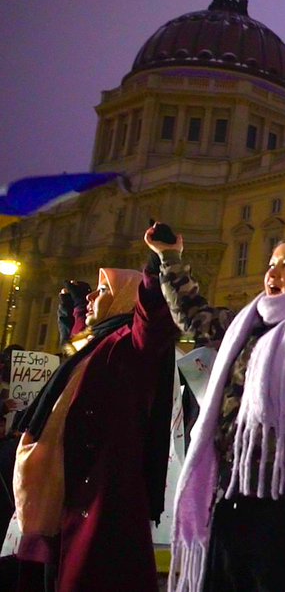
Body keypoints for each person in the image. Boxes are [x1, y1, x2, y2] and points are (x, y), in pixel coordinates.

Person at [152, 192, 285, 592]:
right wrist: (169, 258)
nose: (273, 273)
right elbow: (195, 317)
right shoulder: (248, 323)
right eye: (271, 265)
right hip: (235, 485)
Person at [11, 239, 180, 592]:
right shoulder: (96, 340)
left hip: (99, 486)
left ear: (127, 298)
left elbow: (153, 321)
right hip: (62, 485)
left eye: (103, 290)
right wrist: (71, 306)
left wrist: (157, 264)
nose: (92, 298)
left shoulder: (130, 343)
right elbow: (74, 341)